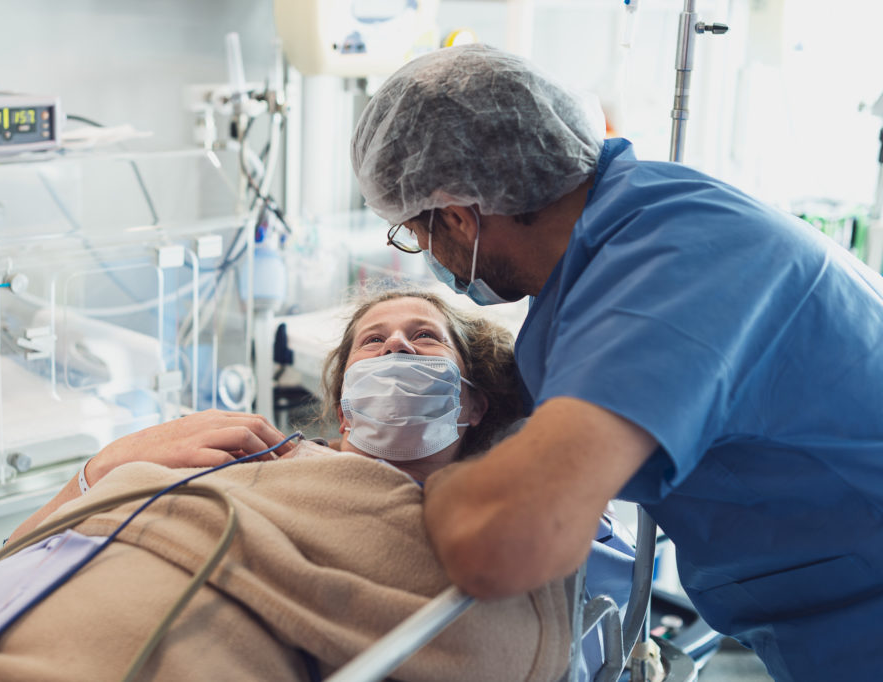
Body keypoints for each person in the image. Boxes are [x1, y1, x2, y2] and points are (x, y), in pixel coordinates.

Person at [349, 43, 883, 682]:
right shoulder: (628, 241)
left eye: (416, 234)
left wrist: (446, 488)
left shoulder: (664, 265)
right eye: (371, 342)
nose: (397, 352)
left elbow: (506, 537)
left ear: (460, 218)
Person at [0, 286, 621, 682]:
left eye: (424, 339)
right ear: (341, 402)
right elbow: (24, 556)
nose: (395, 341)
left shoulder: (468, 542)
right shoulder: (250, 452)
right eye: (372, 341)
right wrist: (105, 466)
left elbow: (511, 652)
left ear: (470, 402)